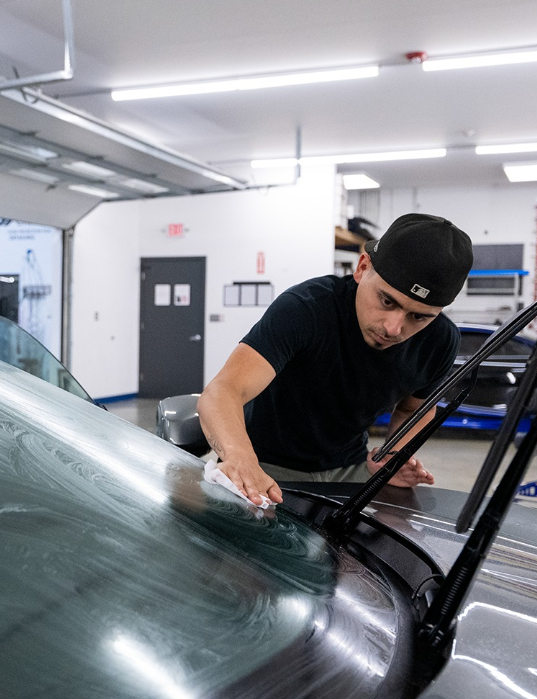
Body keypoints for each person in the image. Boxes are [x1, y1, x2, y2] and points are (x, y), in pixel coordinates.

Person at [199, 213, 473, 506]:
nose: (393, 328)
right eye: (387, 301)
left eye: (418, 316)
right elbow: (223, 391)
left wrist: (393, 454)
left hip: (351, 468)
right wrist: (239, 456)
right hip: (265, 462)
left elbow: (413, 410)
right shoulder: (306, 310)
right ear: (363, 267)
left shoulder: (440, 341)